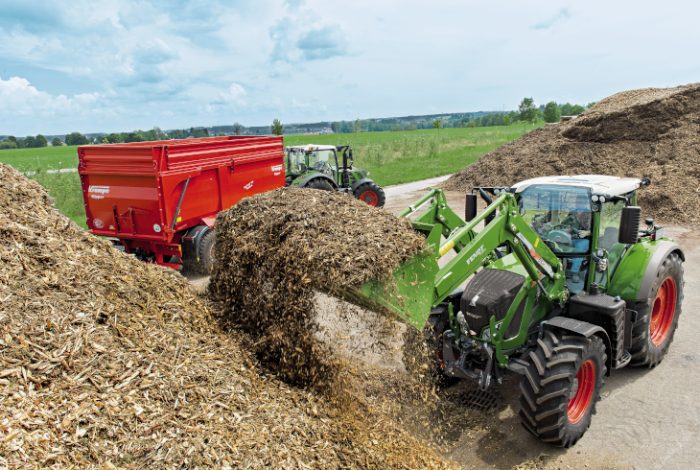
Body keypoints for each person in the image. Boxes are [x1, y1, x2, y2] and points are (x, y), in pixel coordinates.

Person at [558, 193, 592, 283]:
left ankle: (574, 272)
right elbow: (563, 224)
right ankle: (559, 269)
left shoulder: (590, 213)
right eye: (578, 201)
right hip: (570, 237)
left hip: (583, 239)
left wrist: (587, 232)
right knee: (556, 244)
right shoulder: (572, 212)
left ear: (585, 203)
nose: (579, 203)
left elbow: (595, 229)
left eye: (582, 201)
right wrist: (566, 229)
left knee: (580, 247)